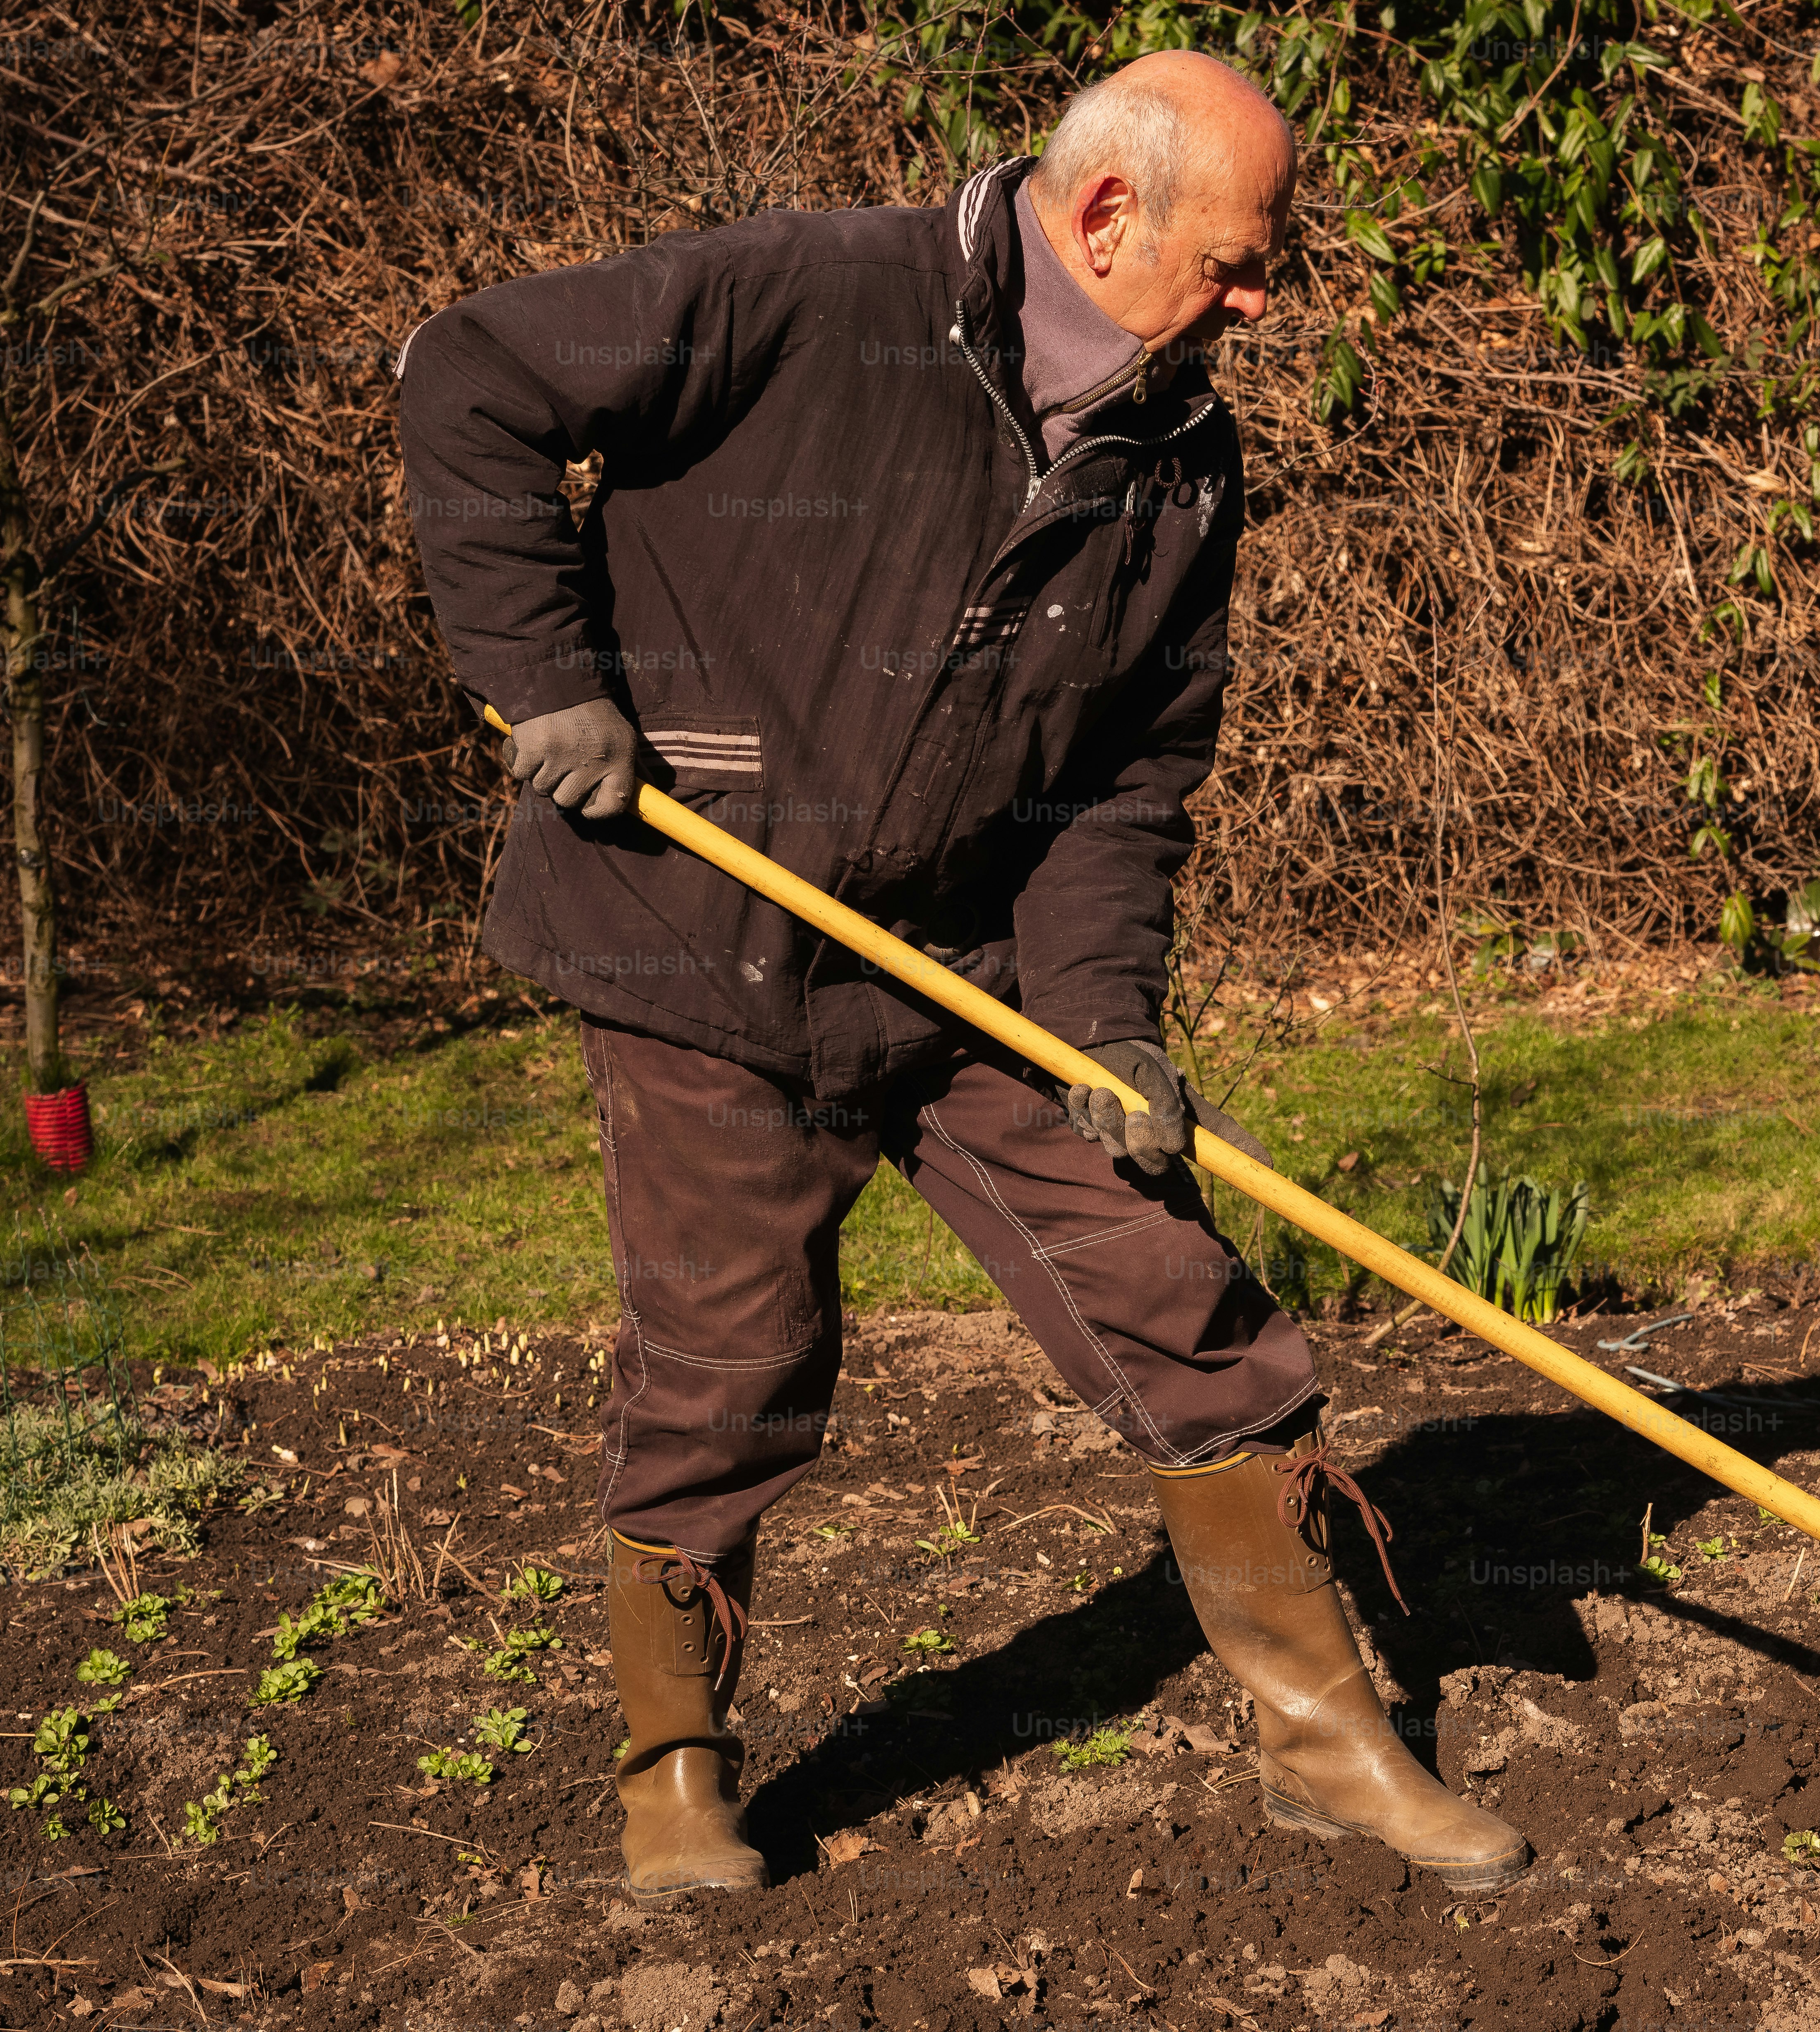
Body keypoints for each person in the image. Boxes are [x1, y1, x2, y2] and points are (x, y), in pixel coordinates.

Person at [395, 51, 1527, 1898]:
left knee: (1181, 1291)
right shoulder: (816, 296)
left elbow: (1123, 782)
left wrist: (1104, 1023)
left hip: (972, 964)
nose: (1264, 300)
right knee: (731, 1356)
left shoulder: (1182, 465)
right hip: (698, 930)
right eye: (1242, 262)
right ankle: (678, 1776)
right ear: (1104, 218)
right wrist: (547, 676)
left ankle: (1328, 1747)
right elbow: (476, 373)